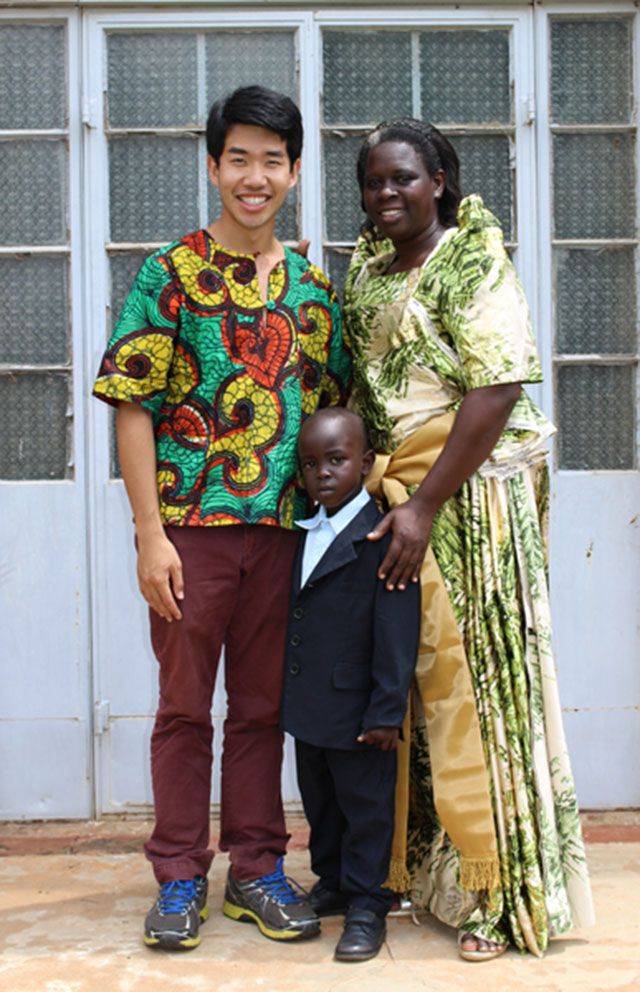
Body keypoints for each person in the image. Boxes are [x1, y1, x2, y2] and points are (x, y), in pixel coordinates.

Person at [92, 85, 351, 950]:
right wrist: (149, 534)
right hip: (190, 535)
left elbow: (334, 417)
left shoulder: (314, 296)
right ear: (213, 167)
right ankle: (175, 877)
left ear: (294, 171)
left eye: (271, 160)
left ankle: (257, 871)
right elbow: (132, 403)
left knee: (260, 710)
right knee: (181, 710)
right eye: (238, 158)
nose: (254, 176)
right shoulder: (168, 275)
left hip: (280, 539)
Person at [343, 119, 594, 960]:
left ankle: (501, 894)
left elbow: (497, 386)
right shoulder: (370, 266)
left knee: (482, 690)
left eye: (404, 178)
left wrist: (423, 509)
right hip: (401, 494)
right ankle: (432, 872)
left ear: (442, 179)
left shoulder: (471, 256)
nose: (386, 195)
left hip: (469, 498)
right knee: (411, 690)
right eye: (374, 182)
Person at [280, 407, 421, 962]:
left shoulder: (385, 537)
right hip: (311, 706)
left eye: (337, 460)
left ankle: (368, 903)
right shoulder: (304, 530)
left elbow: (396, 631)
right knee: (322, 804)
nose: (324, 474)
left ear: (364, 463)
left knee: (365, 808)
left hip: (362, 713)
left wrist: (387, 710)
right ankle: (333, 881)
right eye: (311, 463)